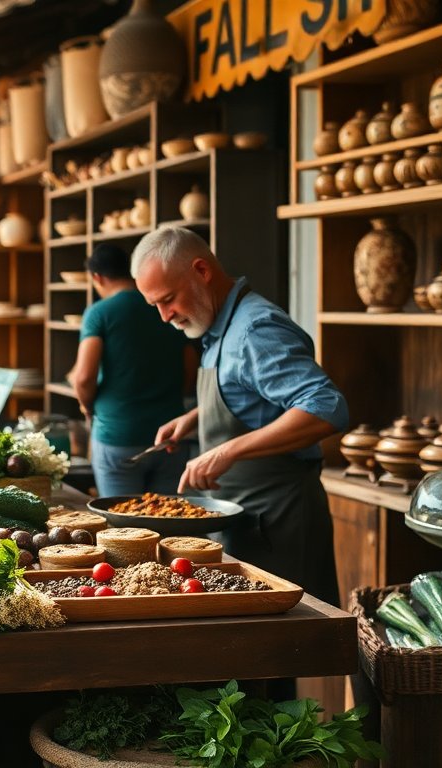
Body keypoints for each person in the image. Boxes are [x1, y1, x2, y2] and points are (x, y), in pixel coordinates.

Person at [133, 226, 346, 606]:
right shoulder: (217, 326)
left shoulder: (255, 330)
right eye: (156, 307)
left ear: (201, 270)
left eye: (168, 300)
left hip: (278, 521)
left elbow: (325, 407)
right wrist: (198, 417)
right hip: (243, 518)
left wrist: (225, 451)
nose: (165, 317)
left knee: (272, 655)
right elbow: (252, 391)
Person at [68, 244, 188, 496]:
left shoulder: (100, 313)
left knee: (122, 526)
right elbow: (190, 370)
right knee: (169, 522)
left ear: (97, 277)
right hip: (171, 437)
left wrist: (86, 405)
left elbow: (83, 377)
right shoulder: (166, 305)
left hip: (118, 436)